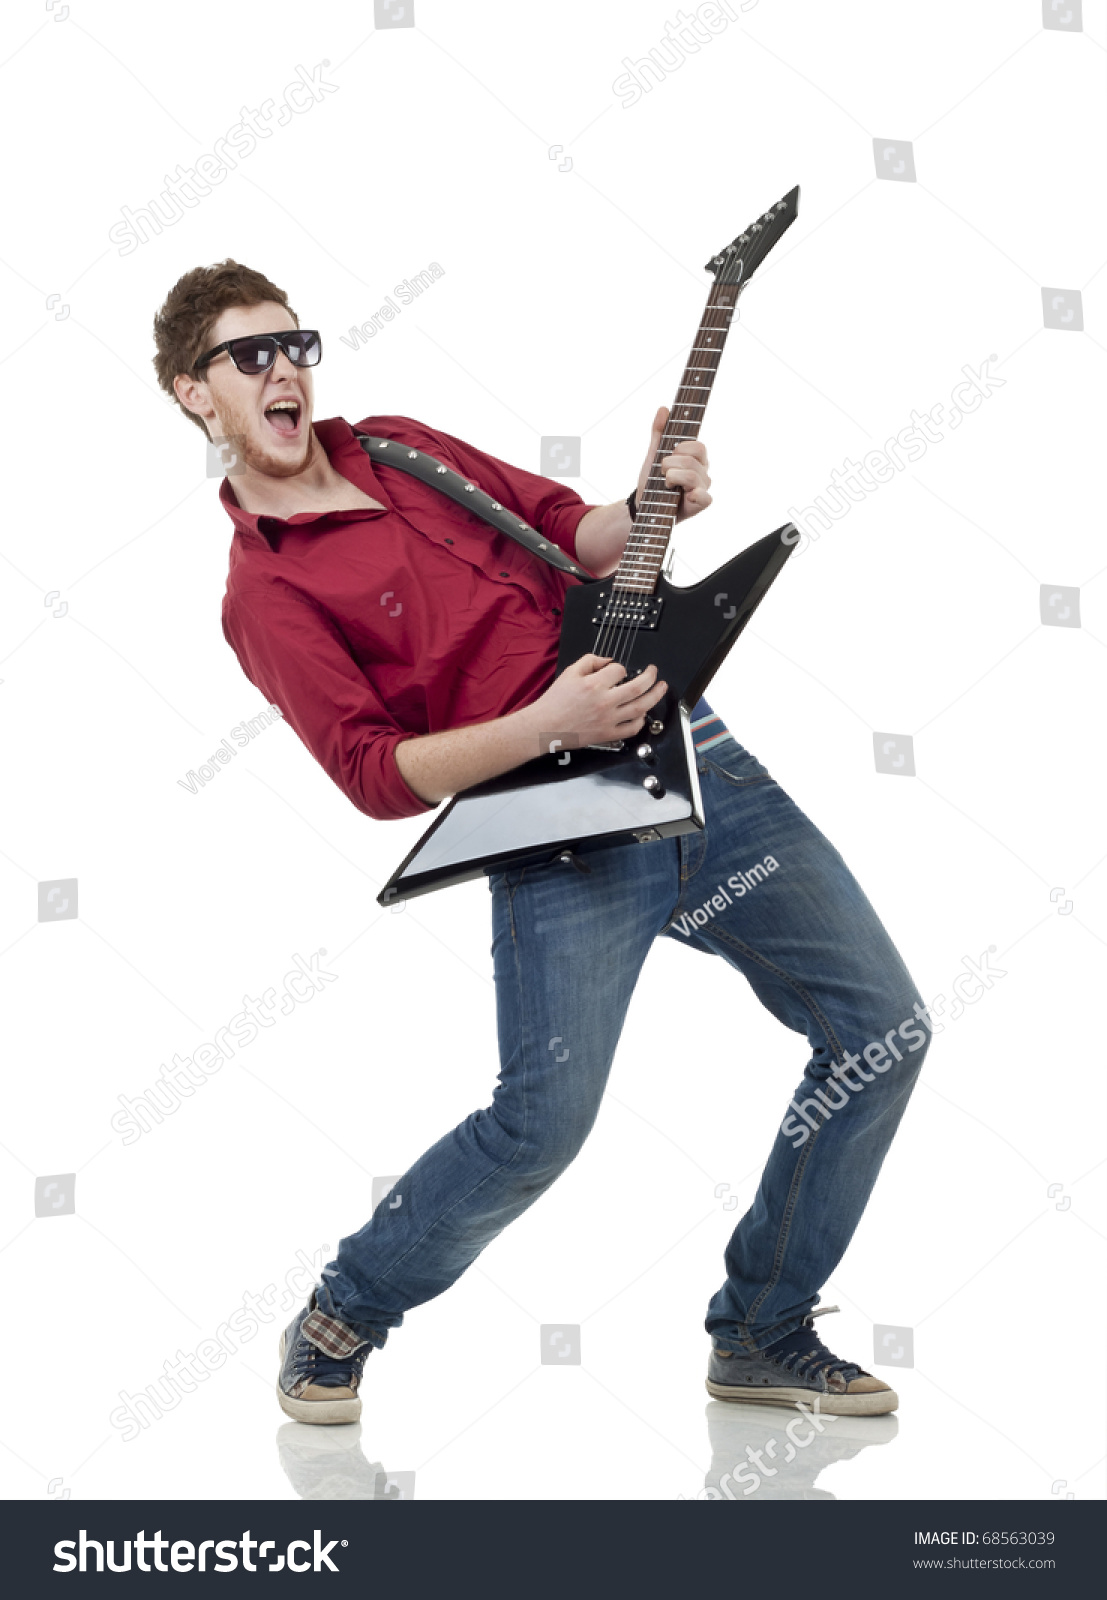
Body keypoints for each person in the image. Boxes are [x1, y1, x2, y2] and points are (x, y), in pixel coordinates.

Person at [156, 259, 928, 1428]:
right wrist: (542, 724)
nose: (283, 372)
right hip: (556, 828)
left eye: (294, 345)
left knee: (882, 1027)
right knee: (541, 1124)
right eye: (247, 356)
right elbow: (373, 774)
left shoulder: (402, 444)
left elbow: (576, 533)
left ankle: (764, 1324)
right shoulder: (263, 592)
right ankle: (343, 1310)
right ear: (192, 394)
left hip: (693, 758)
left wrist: (656, 501)